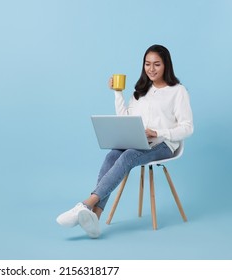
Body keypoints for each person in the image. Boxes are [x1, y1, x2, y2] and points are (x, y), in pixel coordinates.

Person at [56, 44, 194, 238]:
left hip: (164, 145)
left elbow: (187, 127)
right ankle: (95, 218)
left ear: (166, 66)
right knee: (112, 155)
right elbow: (126, 118)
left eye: (156, 64)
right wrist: (117, 92)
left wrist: (158, 132)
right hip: (140, 142)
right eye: (147, 64)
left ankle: (85, 204)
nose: (151, 69)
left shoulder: (177, 91)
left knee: (129, 155)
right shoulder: (141, 90)